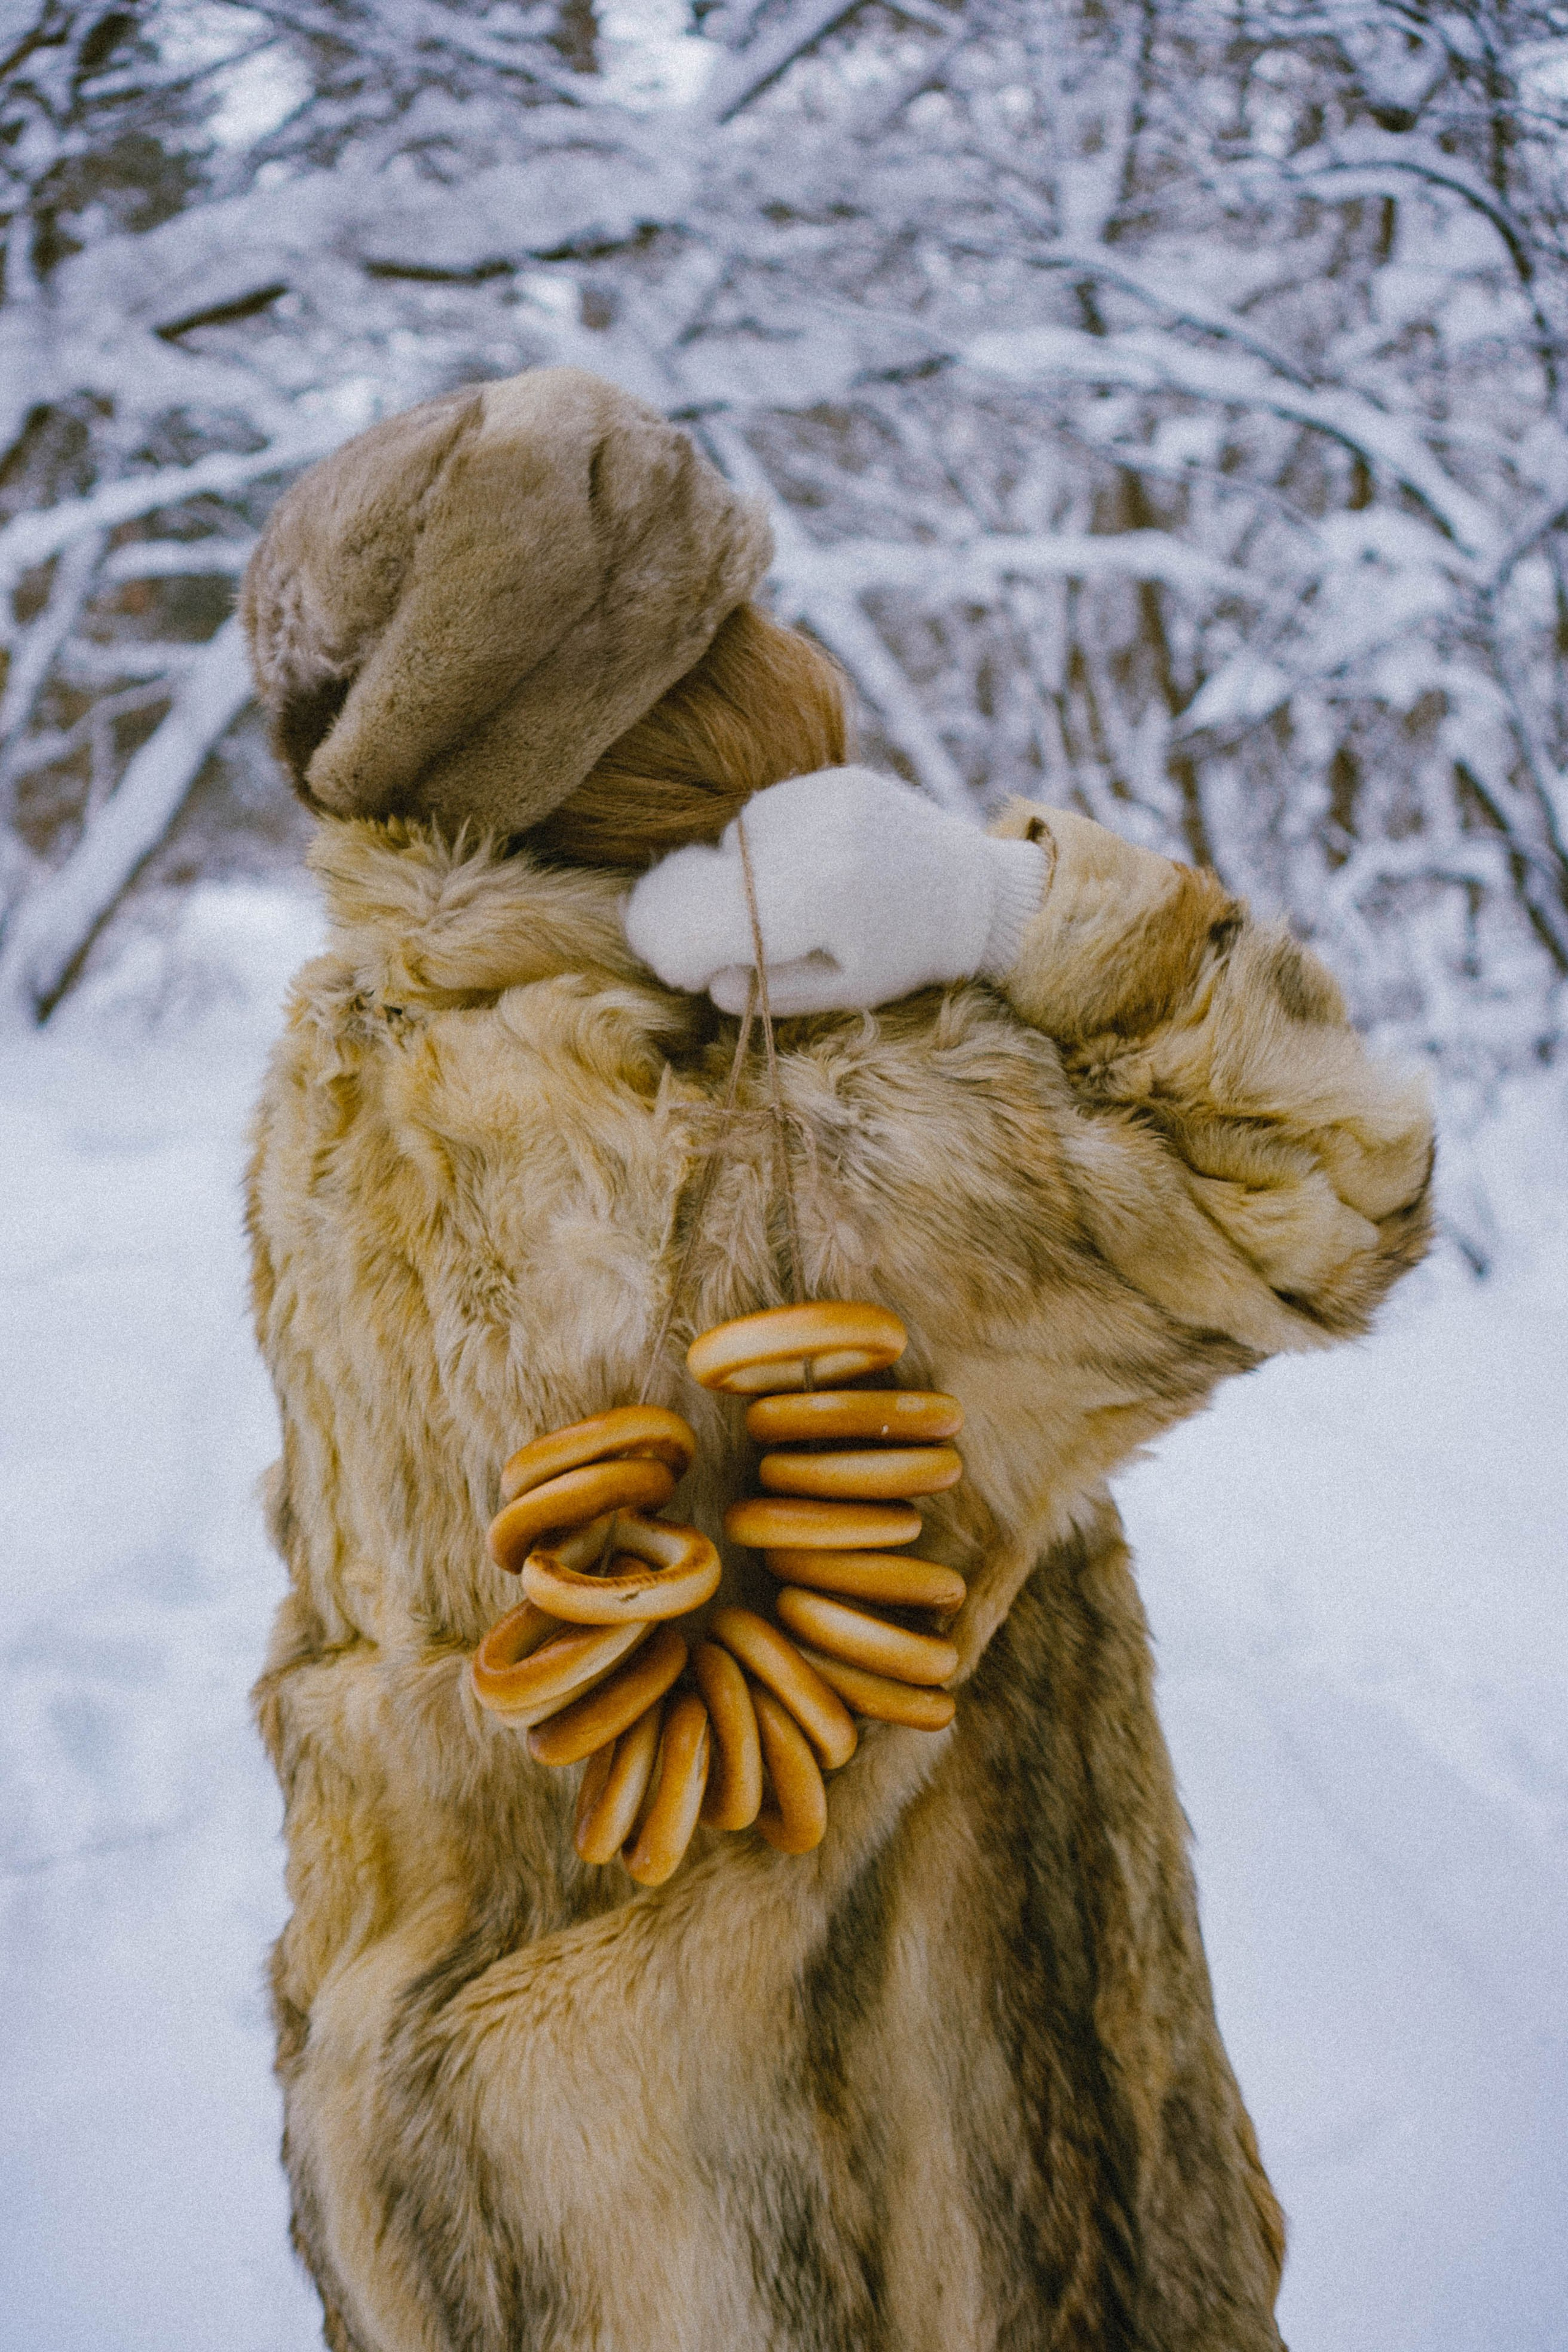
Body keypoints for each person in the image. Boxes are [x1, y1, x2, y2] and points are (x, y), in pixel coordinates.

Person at [241, 367, 1433, 2352]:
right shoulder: (831, 1115)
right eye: (730, 623)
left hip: (486, 2184)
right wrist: (1019, 908)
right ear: (664, 709)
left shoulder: (347, 1067)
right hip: (890, 2196)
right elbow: (1339, 1181)